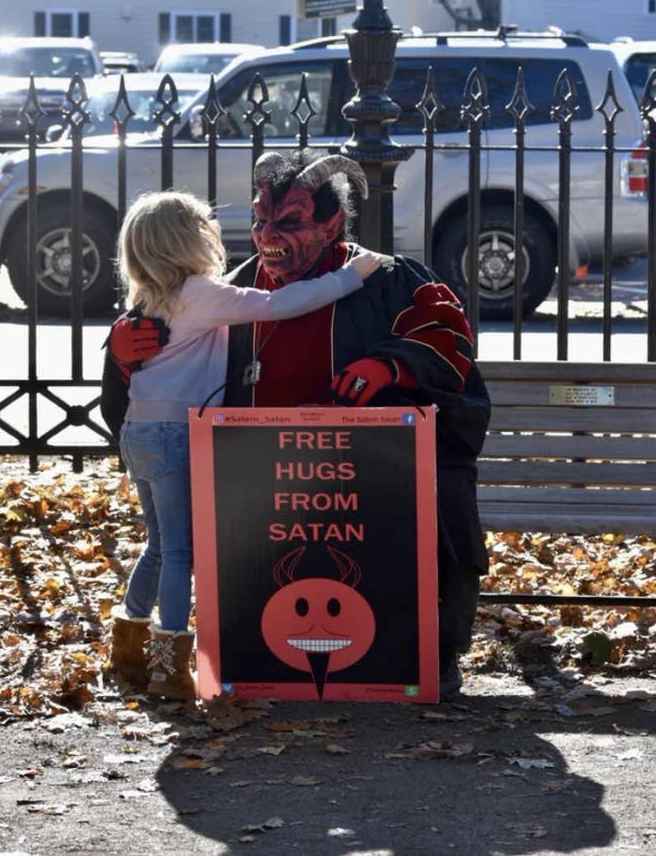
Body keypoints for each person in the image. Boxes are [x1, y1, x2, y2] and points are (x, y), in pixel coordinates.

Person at [108, 152, 491, 701]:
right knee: (178, 544)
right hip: (262, 489)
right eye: (261, 220)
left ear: (333, 224)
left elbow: (447, 334)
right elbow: (157, 339)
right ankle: (203, 652)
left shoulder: (387, 278)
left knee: (444, 492)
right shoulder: (228, 290)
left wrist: (391, 365)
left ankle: (430, 650)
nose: (267, 235)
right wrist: (123, 350)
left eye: (289, 222)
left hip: (368, 486)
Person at [101, 189, 384, 699]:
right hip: (175, 435)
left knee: (158, 545)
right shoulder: (199, 293)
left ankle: (128, 644)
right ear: (190, 241)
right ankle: (169, 662)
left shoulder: (148, 295)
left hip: (139, 433)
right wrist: (351, 275)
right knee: (180, 550)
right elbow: (282, 303)